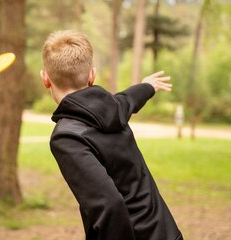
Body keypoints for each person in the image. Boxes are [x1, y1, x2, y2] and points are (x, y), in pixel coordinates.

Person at [40, 30, 183, 240]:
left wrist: (146, 87)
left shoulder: (67, 137)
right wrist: (147, 86)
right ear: (92, 75)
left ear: (45, 79)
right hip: (165, 231)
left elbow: (109, 205)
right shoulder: (112, 108)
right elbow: (128, 100)